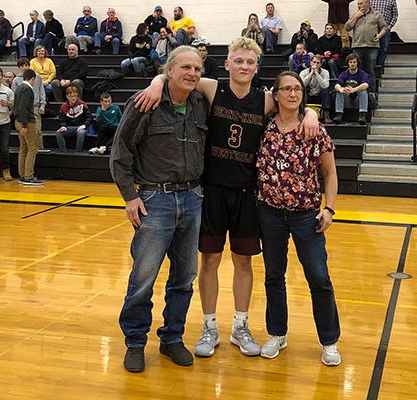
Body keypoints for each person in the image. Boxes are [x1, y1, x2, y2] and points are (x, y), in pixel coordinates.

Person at [134, 36, 320, 360]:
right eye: (239, 61)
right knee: (209, 260)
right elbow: (176, 74)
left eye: (250, 62)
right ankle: (209, 327)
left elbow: (295, 104)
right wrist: (154, 82)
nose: (244, 66)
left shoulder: (264, 100)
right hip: (211, 191)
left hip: (248, 193)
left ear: (257, 67)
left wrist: (312, 115)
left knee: (243, 261)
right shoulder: (211, 88)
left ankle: (240, 326)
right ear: (228, 63)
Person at [110, 46, 209, 373]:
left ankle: (172, 338)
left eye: (197, 68)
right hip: (155, 201)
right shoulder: (145, 102)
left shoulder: (199, 103)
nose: (192, 73)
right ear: (170, 69)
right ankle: (135, 342)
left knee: (184, 277)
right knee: (144, 278)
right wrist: (130, 196)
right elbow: (120, 152)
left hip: (193, 199)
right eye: (185, 67)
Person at [256, 70, 341, 366]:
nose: (293, 94)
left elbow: (330, 173)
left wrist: (328, 208)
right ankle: (277, 333)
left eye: (298, 90)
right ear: (275, 94)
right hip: (269, 212)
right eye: (287, 89)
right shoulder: (263, 125)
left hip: (307, 214)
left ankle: (329, 340)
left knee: (318, 276)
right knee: (273, 275)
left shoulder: (315, 130)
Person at [345, 0, 387, 93]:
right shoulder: (355, 15)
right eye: (358, 4)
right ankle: (359, 92)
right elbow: (347, 28)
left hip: (372, 46)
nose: (359, 6)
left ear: (367, 3)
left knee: (370, 70)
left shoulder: (376, 14)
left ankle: (371, 93)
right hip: (357, 46)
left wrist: (379, 36)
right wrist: (356, 16)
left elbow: (384, 27)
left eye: (361, 4)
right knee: (358, 70)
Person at [14, 69, 43, 185]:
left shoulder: (19, 88)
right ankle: (29, 176)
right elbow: (22, 107)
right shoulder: (27, 89)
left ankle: (22, 175)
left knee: (23, 148)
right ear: (33, 79)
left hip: (18, 121)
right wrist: (26, 124)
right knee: (32, 148)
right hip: (25, 122)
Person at [12, 58, 48, 153]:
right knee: (25, 136)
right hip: (23, 111)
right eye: (22, 66)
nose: (24, 67)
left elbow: (42, 91)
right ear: (19, 68)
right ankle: (30, 151)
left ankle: (40, 149)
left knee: (38, 131)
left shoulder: (37, 77)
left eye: (26, 65)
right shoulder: (16, 80)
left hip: (35, 107)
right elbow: (15, 97)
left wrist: (42, 105)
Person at [333, 53, 369, 124]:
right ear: (348, 63)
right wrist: (342, 89)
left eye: (354, 62)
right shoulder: (344, 74)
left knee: (363, 91)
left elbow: (366, 85)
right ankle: (339, 115)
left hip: (358, 100)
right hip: (347, 99)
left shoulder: (362, 73)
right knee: (339, 92)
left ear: (357, 63)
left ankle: (362, 116)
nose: (352, 64)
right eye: (350, 62)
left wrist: (354, 89)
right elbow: (337, 85)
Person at [56, 86, 92, 152]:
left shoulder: (82, 104)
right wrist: (63, 126)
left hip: (81, 126)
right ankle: (63, 152)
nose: (73, 98)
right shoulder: (63, 107)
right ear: (67, 96)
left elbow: (89, 116)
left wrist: (84, 125)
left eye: (75, 96)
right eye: (71, 96)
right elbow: (61, 119)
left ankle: (78, 152)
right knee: (59, 132)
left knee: (81, 133)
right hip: (70, 127)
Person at [300, 54, 332, 123]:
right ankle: (300, 114)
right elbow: (301, 85)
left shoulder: (325, 72)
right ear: (310, 63)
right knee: (301, 91)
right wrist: (311, 74)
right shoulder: (304, 72)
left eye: (318, 63)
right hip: (308, 96)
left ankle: (326, 116)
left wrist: (317, 74)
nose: (316, 64)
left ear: (320, 64)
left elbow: (325, 85)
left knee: (326, 91)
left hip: (319, 96)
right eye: (314, 62)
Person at [370, 0, 399, 66]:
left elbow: (395, 15)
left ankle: (379, 69)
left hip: (385, 29)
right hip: (372, 28)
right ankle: (372, 68)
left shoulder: (391, 1)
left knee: (383, 49)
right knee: (372, 49)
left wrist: (389, 26)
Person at [242, 13, 265, 87]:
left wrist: (258, 30)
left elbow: (262, 41)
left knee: (256, 73)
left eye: (254, 19)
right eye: (251, 19)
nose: (253, 20)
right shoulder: (245, 30)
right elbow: (242, 41)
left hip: (258, 54)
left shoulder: (261, 30)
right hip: (247, 54)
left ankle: (255, 88)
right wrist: (249, 31)